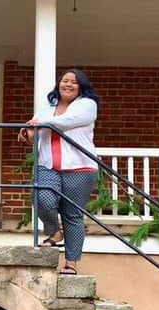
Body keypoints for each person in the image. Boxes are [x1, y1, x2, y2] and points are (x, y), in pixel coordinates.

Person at [18, 68, 99, 275]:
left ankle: (71, 263)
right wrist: (27, 132)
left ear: (81, 86)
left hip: (79, 167)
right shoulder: (48, 105)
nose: (68, 84)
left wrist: (40, 124)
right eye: (64, 81)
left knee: (72, 215)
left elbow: (67, 122)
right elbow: (34, 128)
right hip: (47, 164)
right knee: (42, 198)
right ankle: (54, 232)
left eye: (74, 82)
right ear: (59, 83)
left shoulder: (87, 105)